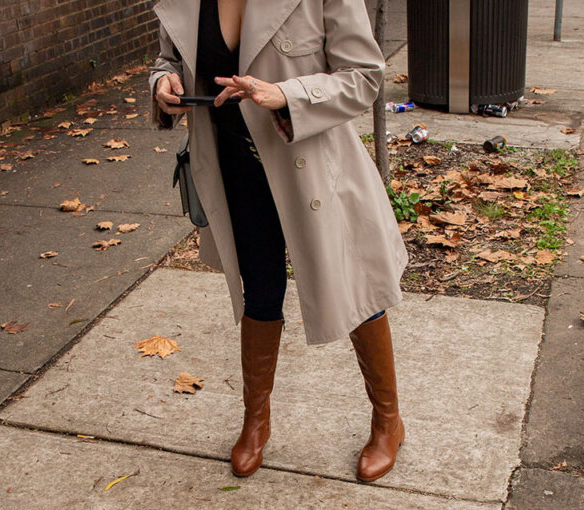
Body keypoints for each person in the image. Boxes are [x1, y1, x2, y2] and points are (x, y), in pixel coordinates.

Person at [150, 0, 409, 481]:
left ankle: (388, 421)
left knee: (355, 286)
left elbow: (366, 76)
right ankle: (255, 422)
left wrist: (287, 94)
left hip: (310, 166)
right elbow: (169, 58)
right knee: (260, 292)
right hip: (235, 169)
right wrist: (163, 83)